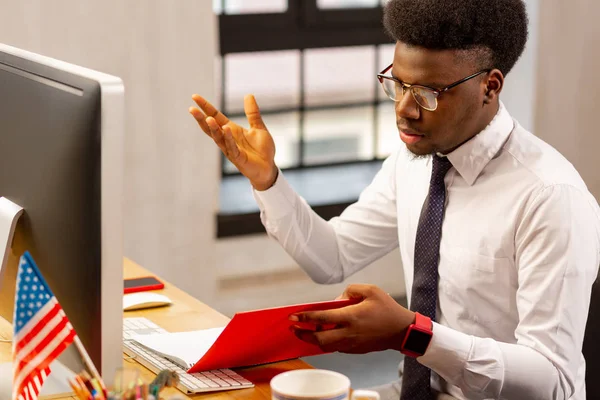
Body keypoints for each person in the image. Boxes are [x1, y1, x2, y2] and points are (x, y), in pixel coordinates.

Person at [189, 0, 600, 398]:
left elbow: (553, 383)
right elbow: (331, 258)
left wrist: (413, 334)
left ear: (489, 87)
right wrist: (267, 180)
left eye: (427, 93)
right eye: (399, 84)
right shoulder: (416, 161)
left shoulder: (550, 198)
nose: (404, 109)